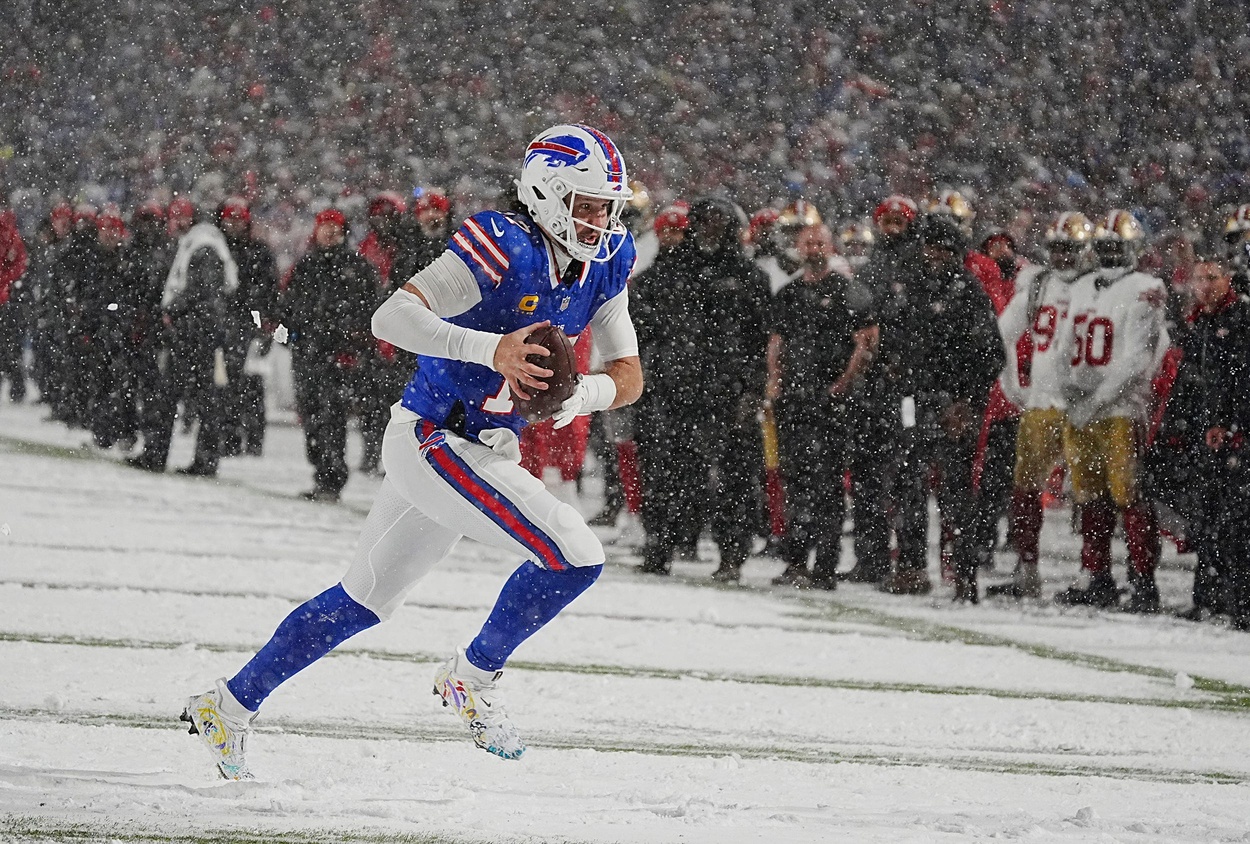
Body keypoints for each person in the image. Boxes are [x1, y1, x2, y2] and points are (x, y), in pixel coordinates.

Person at [182, 124, 643, 778]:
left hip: (480, 445)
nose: (602, 221)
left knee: (362, 599)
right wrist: (492, 349)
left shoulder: (607, 259)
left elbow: (629, 372)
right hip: (438, 437)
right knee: (574, 556)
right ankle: (472, 679)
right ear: (547, 193)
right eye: (589, 205)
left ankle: (226, 706)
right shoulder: (501, 245)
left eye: (609, 207)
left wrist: (581, 395)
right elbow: (391, 318)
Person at [876, 213, 1005, 600]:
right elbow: (891, 340)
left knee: (956, 491)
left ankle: (964, 572)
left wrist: (967, 401)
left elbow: (990, 355)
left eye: (943, 249)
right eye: (930, 248)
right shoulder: (911, 287)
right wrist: (893, 371)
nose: (935, 255)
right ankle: (913, 567)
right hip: (914, 398)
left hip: (951, 403)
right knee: (908, 484)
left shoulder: (968, 292)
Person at [1055, 210, 1170, 612]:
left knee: (1129, 495)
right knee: (1089, 496)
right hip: (1083, 408)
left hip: (1122, 407)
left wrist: (1094, 400)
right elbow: (1063, 347)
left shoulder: (1146, 287)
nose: (1108, 255)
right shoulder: (1083, 285)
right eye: (1103, 248)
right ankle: (1098, 575)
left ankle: (1143, 581)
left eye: (1115, 248)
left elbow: (1136, 359)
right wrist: (1068, 391)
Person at [987, 212, 1094, 599]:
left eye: (1071, 248)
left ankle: (1093, 574)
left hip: (1088, 403)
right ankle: (1027, 567)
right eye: (1059, 248)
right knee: (1025, 488)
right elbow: (1002, 332)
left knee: (1091, 493)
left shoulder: (1101, 287)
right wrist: (1012, 382)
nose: (1064, 256)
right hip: (1044, 401)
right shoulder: (1038, 285)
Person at [768, 222, 878, 589]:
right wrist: (776, 382)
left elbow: (866, 341)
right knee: (795, 482)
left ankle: (826, 565)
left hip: (830, 404)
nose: (813, 248)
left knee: (828, 485)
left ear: (830, 248)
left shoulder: (848, 291)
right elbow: (776, 343)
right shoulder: (788, 294)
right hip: (795, 402)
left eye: (819, 243)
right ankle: (796, 560)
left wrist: (843, 384)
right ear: (798, 248)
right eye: (808, 243)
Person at [1146, 255, 1250, 628]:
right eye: (1200, 279)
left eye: (1213, 278)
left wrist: (1231, 424)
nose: (1205, 286)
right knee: (1204, 519)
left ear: (1228, 280)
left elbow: (1237, 380)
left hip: (1231, 438)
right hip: (1203, 435)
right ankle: (1207, 596)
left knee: (1235, 521)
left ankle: (1240, 601)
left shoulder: (1239, 321)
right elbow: (1188, 381)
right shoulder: (1199, 323)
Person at [279, 207, 380, 501]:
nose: (329, 232)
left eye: (334, 227)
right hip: (307, 353)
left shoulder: (357, 268)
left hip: (337, 356)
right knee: (311, 415)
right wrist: (289, 334)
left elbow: (368, 309)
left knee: (331, 416)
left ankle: (332, 477)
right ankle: (322, 473)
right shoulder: (305, 266)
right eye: (325, 226)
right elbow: (287, 306)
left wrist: (353, 344)